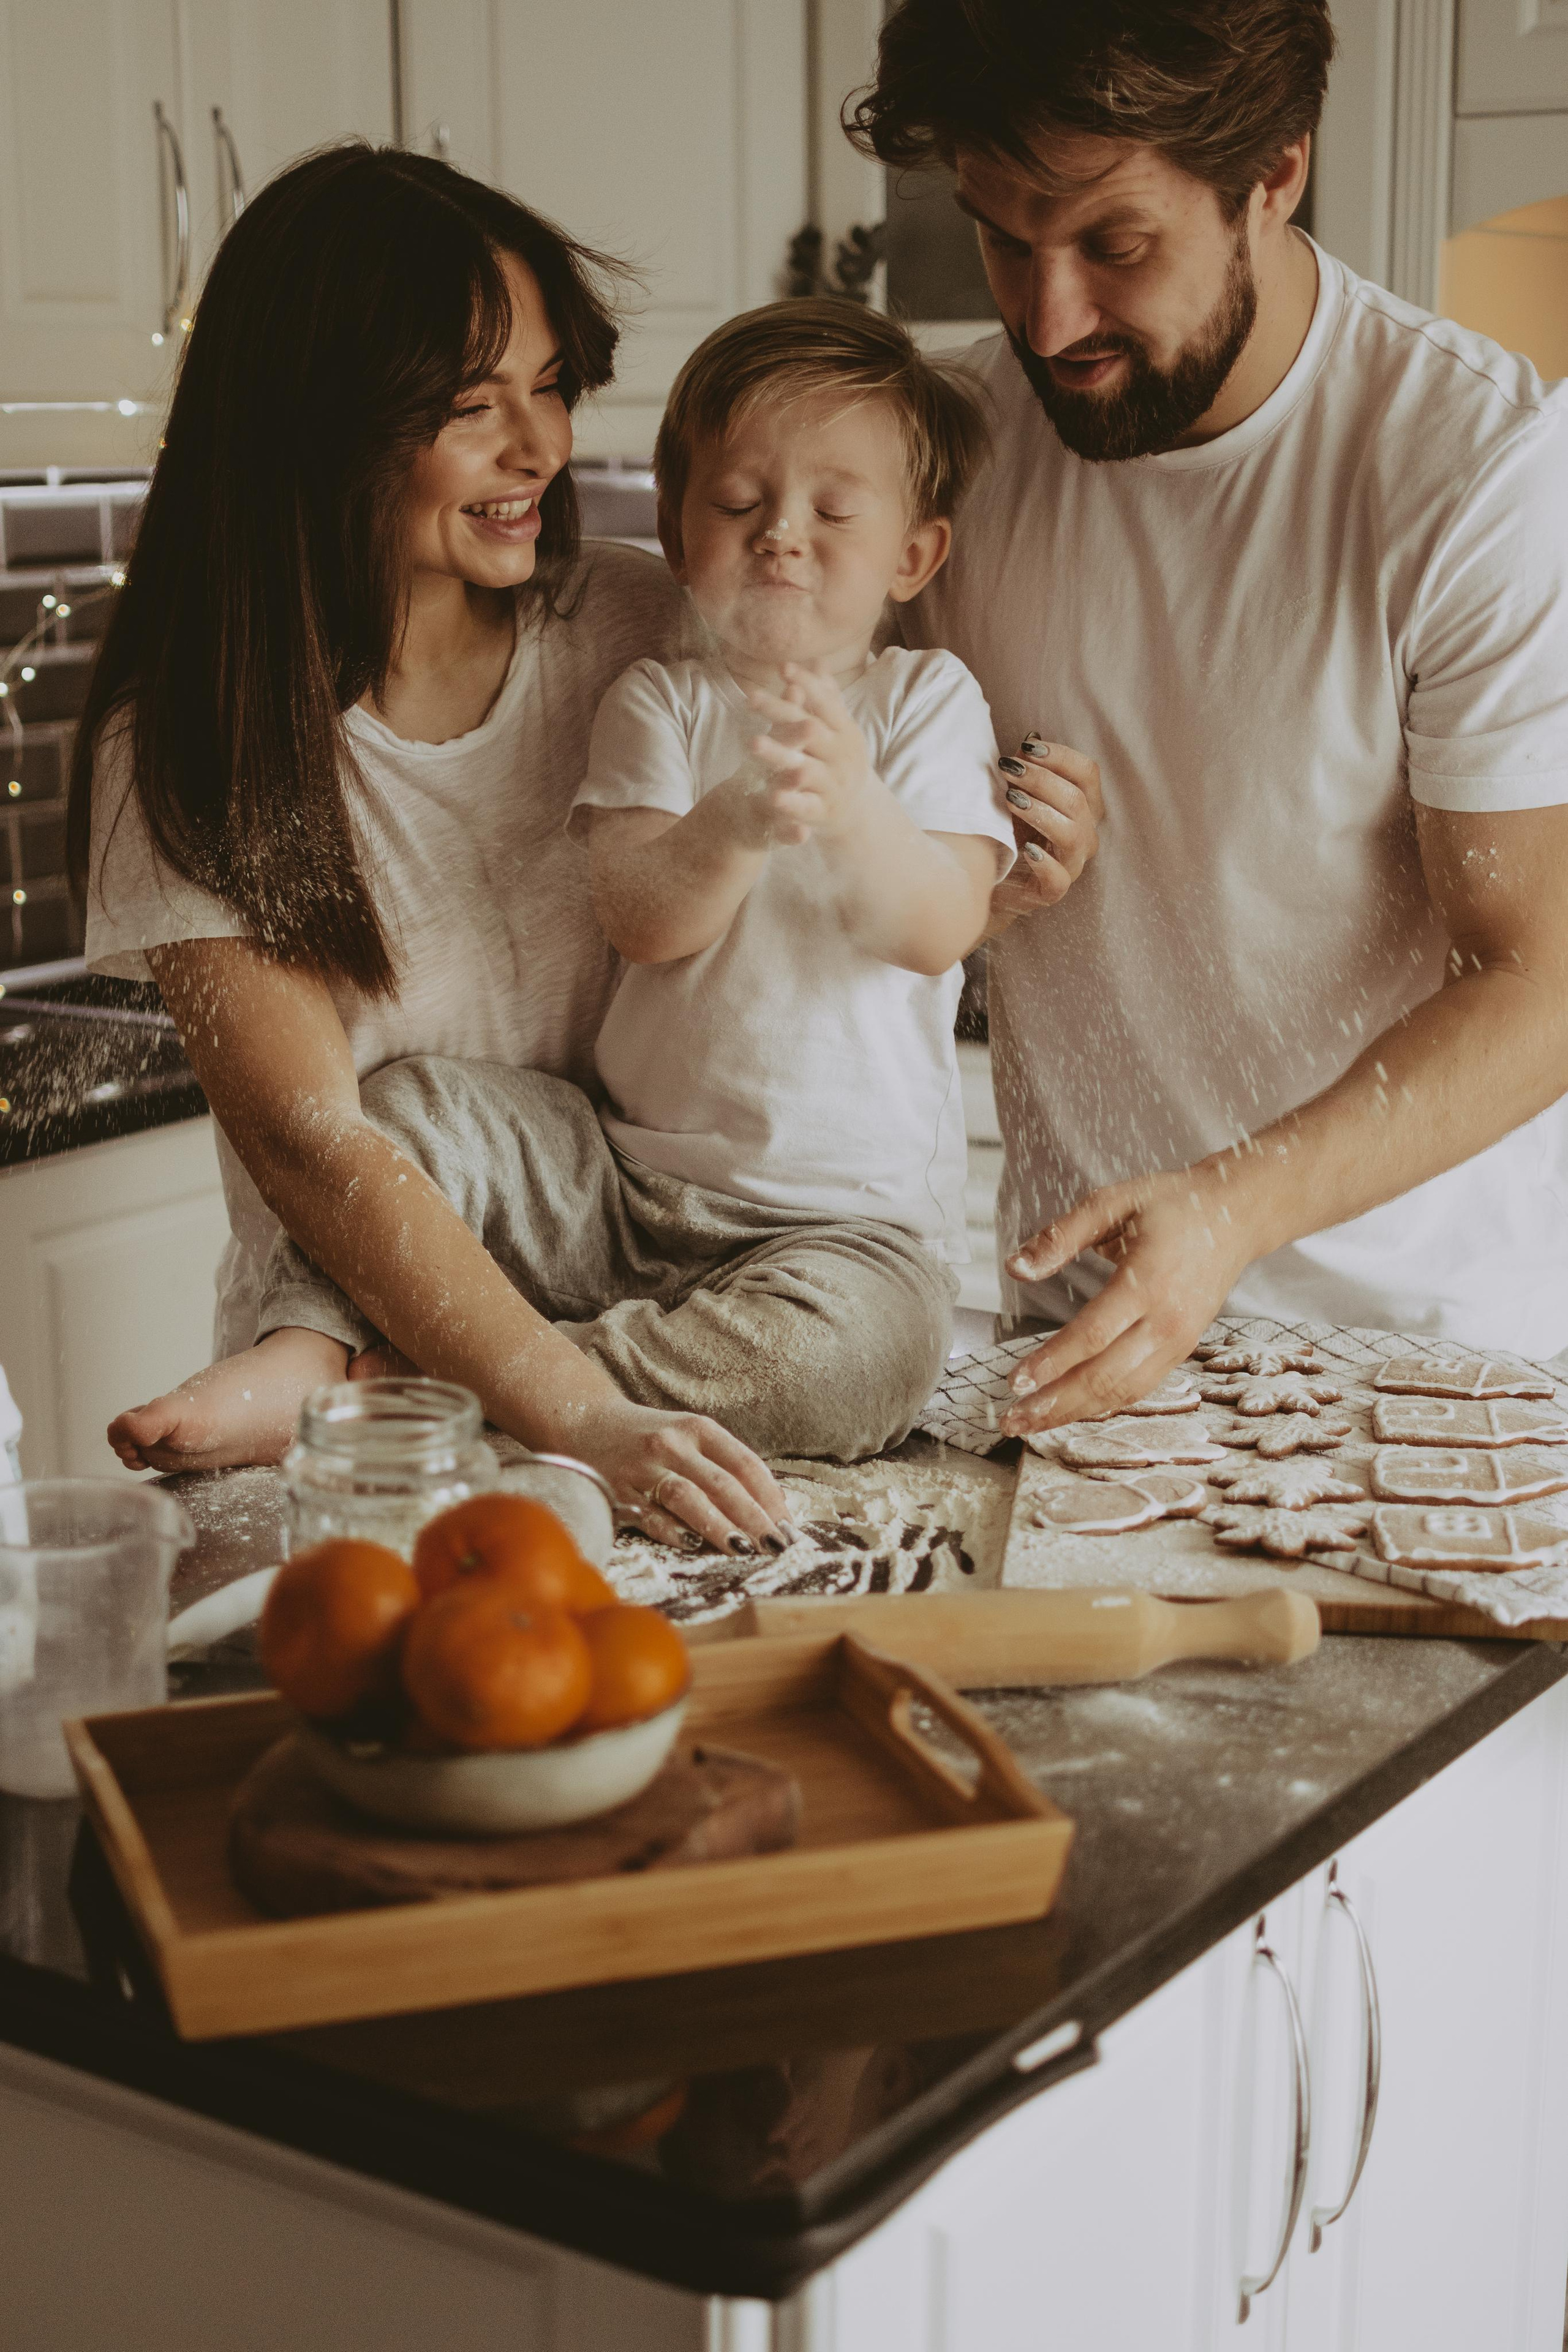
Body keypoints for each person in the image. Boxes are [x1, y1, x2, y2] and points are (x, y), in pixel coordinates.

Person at [852, 0, 1568, 1438]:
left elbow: (1535, 982)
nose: (1046, 319)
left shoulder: (1467, 468)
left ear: (1274, 171)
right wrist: (966, 885)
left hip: (1416, 1367)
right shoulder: (950, 458)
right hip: (1072, 1343)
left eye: (1113, 245)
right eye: (1001, 238)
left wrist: (1231, 1210)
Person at [74, 145, 789, 1551]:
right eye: (472, 407)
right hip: (378, 1414)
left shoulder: (636, 634)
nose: (539, 448)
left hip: (644, 1351)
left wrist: (995, 854)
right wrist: (574, 1415)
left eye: (551, 385)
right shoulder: (191, 744)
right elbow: (306, 1138)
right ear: (322, 427)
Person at [187, 300, 1033, 1476]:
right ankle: (306, 1344)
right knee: (413, 1107)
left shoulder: (925, 703)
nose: (783, 536)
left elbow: (938, 928)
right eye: (739, 505)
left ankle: (469, 1381)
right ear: (680, 542)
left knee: (863, 1363)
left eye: (834, 512)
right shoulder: (661, 700)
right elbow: (641, 917)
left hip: (838, 1228)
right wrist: (738, 814)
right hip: (620, 1177)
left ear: (914, 555)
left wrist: (854, 810)